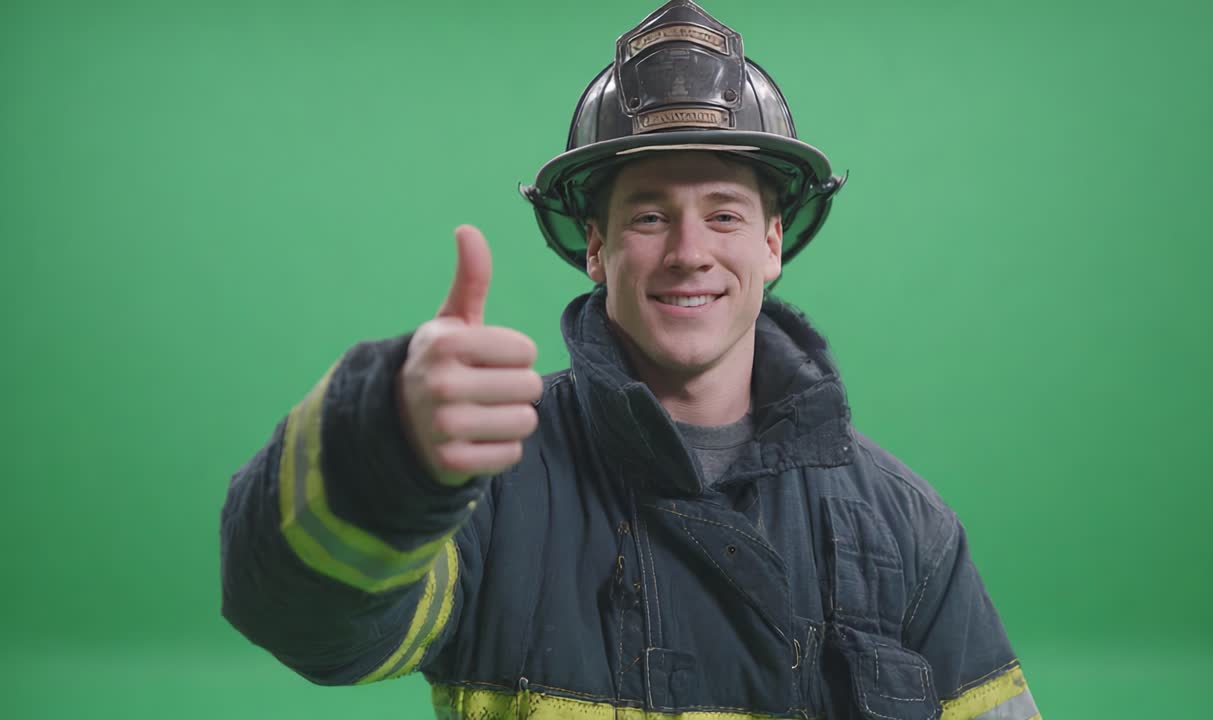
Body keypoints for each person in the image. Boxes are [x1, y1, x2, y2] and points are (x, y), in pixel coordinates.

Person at [219, 2, 1040, 719]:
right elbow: (309, 629)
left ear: (772, 242)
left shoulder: (904, 527)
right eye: (649, 218)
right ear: (596, 248)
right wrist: (388, 448)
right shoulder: (491, 489)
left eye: (722, 215)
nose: (689, 253)